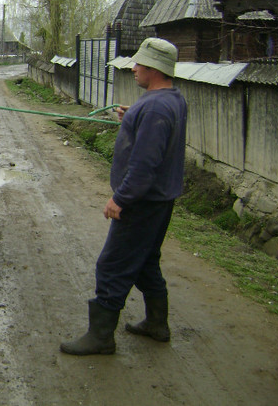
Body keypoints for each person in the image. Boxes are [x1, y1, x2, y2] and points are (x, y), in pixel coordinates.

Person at [60, 37, 187, 356]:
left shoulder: (156, 107)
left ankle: (101, 337)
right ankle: (157, 324)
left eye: (139, 63)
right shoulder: (170, 100)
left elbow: (145, 165)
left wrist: (120, 199)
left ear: (155, 68)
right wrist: (133, 116)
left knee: (112, 265)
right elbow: (156, 127)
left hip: (142, 203)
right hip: (160, 201)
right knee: (145, 261)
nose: (134, 68)